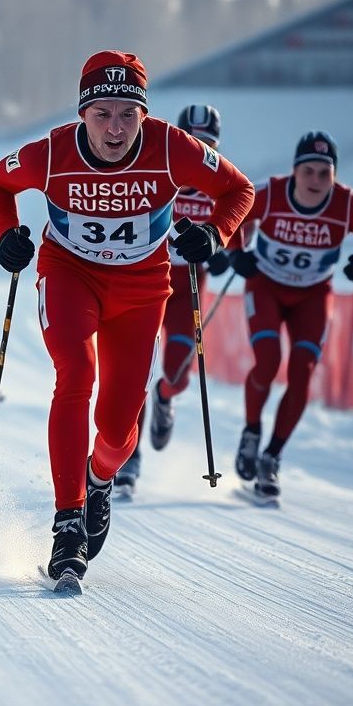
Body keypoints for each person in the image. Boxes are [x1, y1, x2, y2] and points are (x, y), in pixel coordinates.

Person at [0, 51, 254, 586]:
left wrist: (215, 234)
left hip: (141, 288)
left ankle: (100, 478)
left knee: (116, 425)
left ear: (144, 115)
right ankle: (66, 525)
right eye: (103, 113)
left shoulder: (173, 146)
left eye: (128, 114)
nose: (115, 128)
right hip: (69, 276)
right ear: (83, 113)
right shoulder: (53, 151)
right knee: (76, 376)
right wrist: (8, 236)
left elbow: (239, 190)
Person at [228, 130, 353, 500]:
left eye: (325, 173)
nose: (317, 181)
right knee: (268, 361)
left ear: (334, 174)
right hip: (266, 287)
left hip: (313, 297)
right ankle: (252, 432)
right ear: (295, 171)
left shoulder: (347, 204)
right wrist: (237, 252)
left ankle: (272, 457)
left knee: (301, 372)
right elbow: (232, 213)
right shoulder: (270, 192)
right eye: (309, 171)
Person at [120, 104, 233, 495]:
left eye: (210, 145)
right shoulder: (157, 173)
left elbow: (237, 226)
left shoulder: (220, 185)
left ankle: (165, 401)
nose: (201, 152)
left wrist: (223, 251)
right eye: (194, 142)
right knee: (137, 371)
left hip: (189, 288)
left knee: (177, 371)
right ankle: (128, 458)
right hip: (147, 282)